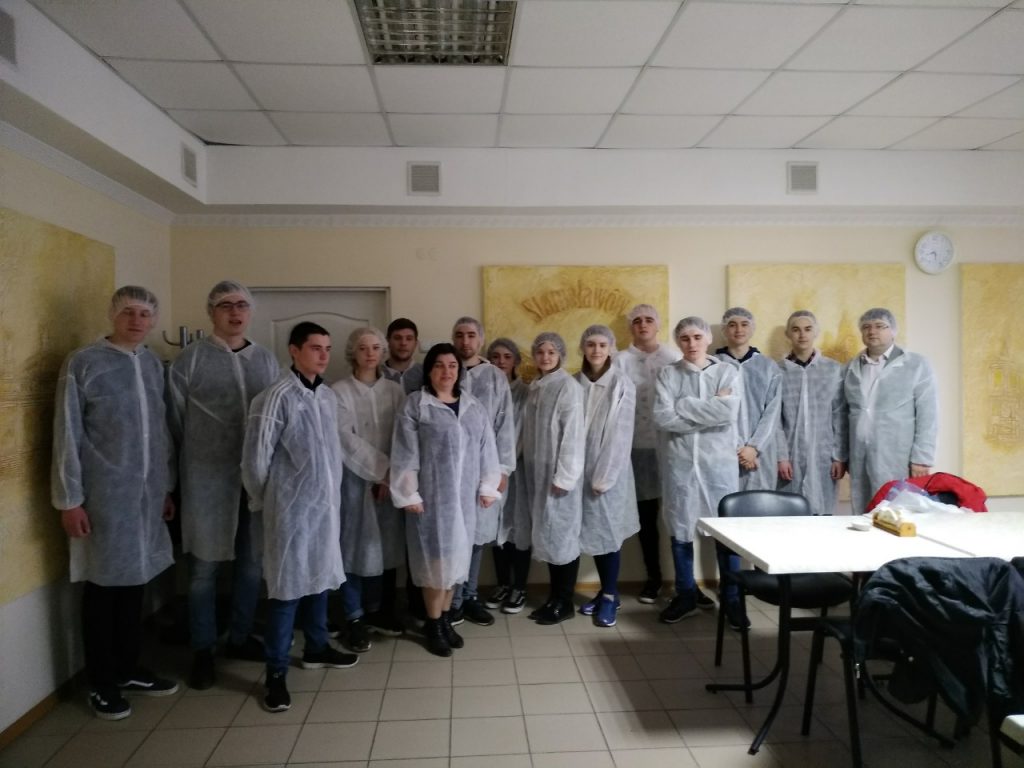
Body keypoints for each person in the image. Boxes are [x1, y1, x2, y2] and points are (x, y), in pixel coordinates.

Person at [52, 286, 178, 720]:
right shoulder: (84, 363)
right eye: (128, 312)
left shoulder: (151, 364)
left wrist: (164, 488)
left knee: (134, 585)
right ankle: (101, 683)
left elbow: (159, 432)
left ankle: (127, 669)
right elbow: (67, 433)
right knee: (103, 590)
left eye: (144, 313)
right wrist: (69, 500)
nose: (137, 320)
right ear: (112, 315)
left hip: (146, 497)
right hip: (103, 497)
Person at [168, 280, 280, 691]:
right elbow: (174, 422)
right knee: (204, 569)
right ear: (212, 312)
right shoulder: (190, 360)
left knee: (251, 565)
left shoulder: (265, 360)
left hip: (254, 481)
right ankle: (203, 649)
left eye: (242, 305)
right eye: (226, 305)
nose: (235, 312)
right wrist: (184, 474)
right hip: (206, 481)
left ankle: (239, 636)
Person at [241, 322, 358, 713]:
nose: (323, 355)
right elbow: (255, 461)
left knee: (320, 580)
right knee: (286, 591)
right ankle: (276, 673)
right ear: (294, 350)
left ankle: (317, 647)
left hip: (324, 510)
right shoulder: (275, 397)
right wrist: (272, 503)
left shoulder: (326, 396)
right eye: (315, 348)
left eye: (327, 348)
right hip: (289, 513)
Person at [390, 343, 501, 657]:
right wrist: (408, 493)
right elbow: (404, 453)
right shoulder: (416, 405)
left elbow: (487, 450)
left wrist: (488, 486)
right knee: (435, 566)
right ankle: (434, 624)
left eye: (452, 365)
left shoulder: (473, 407)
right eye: (439, 365)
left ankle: (446, 618)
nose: (446, 371)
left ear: (459, 371)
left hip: (463, 502)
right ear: (429, 371)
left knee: (456, 564)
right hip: (430, 502)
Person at [654, 317, 748, 630]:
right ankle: (685, 595)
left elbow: (728, 413)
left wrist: (683, 405)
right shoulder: (668, 374)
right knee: (680, 530)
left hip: (717, 466)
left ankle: (732, 599)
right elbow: (662, 417)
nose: (691, 343)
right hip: (679, 465)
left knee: (725, 532)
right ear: (678, 342)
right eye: (684, 338)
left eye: (697, 336)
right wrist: (709, 409)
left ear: (707, 338)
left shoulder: (727, 372)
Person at [331, 327, 406, 653]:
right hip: (354, 483)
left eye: (376, 347)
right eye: (363, 348)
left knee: (385, 547)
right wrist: (380, 472)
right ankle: (354, 617)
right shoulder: (339, 391)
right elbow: (344, 438)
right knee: (353, 548)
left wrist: (390, 477)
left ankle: (379, 611)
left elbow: (404, 436)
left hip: (391, 482)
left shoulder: (395, 391)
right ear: (353, 352)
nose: (370, 353)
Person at [613, 304, 693, 606]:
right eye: (637, 321)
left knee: (677, 515)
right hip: (632, 449)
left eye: (649, 320)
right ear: (630, 327)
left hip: (671, 448)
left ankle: (686, 583)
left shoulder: (673, 358)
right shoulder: (620, 360)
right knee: (646, 519)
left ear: (658, 325)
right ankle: (654, 578)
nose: (643, 325)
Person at [449, 317, 516, 627]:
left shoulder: (494, 377)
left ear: (481, 339)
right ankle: (451, 600)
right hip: (449, 470)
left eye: (471, 335)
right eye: (460, 335)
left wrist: (502, 470)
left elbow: (505, 425)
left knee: (476, 537)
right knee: (452, 535)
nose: (465, 341)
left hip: (484, 469)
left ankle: (470, 596)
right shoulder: (446, 369)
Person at [843, 308, 938, 515]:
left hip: (898, 455)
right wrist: (843, 455)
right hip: (859, 454)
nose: (872, 331)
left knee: (898, 511)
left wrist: (922, 458)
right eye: (866, 327)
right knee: (864, 510)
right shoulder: (851, 367)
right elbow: (845, 414)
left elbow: (928, 414)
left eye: (880, 326)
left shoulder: (915, 365)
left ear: (893, 331)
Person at [575, 326, 639, 628]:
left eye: (602, 344)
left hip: (609, 474)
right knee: (592, 533)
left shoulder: (621, 384)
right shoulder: (573, 383)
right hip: (577, 472)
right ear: (583, 348)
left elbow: (621, 435)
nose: (596, 350)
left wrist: (605, 476)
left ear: (611, 348)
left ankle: (611, 596)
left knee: (608, 533)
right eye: (591, 344)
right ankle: (604, 591)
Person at [522, 332, 585, 625]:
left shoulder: (567, 387)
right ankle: (554, 598)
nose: (545, 357)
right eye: (541, 352)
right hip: (538, 473)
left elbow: (573, 436)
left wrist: (565, 476)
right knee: (549, 538)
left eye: (551, 352)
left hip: (559, 477)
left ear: (560, 355)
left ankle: (564, 601)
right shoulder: (536, 386)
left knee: (562, 538)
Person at [775, 311, 847, 515]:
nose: (802, 335)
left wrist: (839, 456)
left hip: (824, 456)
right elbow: (775, 420)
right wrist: (781, 457)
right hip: (790, 457)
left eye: (808, 329)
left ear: (816, 332)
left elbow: (839, 415)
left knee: (823, 514)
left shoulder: (833, 370)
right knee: (790, 515)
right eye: (796, 330)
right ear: (788, 334)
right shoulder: (777, 371)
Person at [486, 338, 531, 615]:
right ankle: (502, 583)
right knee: (495, 528)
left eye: (506, 356)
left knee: (518, 528)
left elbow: (523, 432)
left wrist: (505, 465)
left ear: (516, 361)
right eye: (495, 356)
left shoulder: (525, 393)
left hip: (518, 470)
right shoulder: (484, 390)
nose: (501, 361)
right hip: (489, 472)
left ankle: (520, 587)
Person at [716, 307, 782, 493]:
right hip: (724, 450)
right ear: (724, 329)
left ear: (752, 328)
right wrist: (738, 449)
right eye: (732, 325)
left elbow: (773, 412)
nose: (739, 329)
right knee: (724, 503)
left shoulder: (768, 367)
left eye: (744, 324)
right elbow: (714, 411)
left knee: (759, 504)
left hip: (761, 454)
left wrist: (753, 447)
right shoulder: (713, 366)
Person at [382, 317, 424, 395]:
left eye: (409, 338)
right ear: (387, 341)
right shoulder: (376, 373)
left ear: (415, 343)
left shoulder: (426, 373)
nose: (403, 343)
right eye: (397, 338)